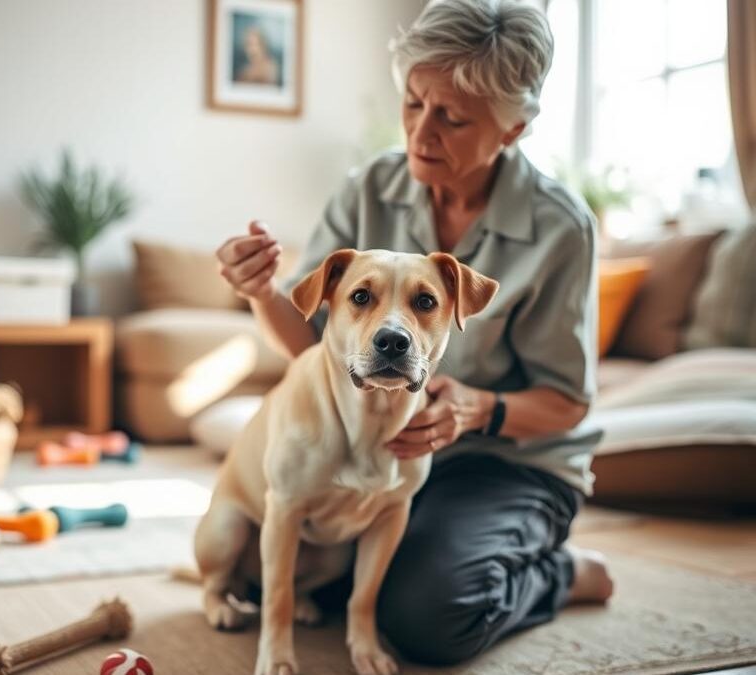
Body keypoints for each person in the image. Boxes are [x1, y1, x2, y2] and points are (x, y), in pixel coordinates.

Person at [215, 0, 614, 666]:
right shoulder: (369, 187)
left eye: (453, 118)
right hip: (391, 451)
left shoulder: (559, 229)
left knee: (429, 616)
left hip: (507, 462)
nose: (420, 134)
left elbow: (568, 402)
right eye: (412, 103)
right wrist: (259, 290)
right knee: (320, 566)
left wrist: (477, 409)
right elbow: (317, 339)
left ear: (513, 128)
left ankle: (565, 572)